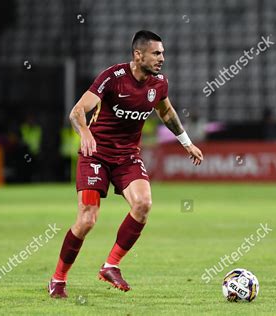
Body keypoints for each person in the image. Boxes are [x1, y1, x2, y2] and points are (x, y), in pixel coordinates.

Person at [48, 30, 203, 298]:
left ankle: (111, 265)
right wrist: (84, 131)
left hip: (127, 157)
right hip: (95, 153)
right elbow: (76, 112)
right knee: (87, 220)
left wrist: (186, 142)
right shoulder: (112, 78)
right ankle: (58, 279)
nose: (161, 58)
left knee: (143, 204)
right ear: (138, 54)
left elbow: (165, 111)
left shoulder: (159, 84)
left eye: (163, 53)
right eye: (156, 53)